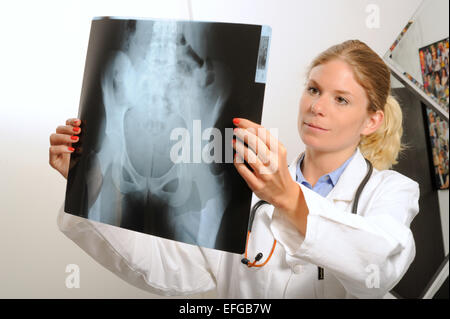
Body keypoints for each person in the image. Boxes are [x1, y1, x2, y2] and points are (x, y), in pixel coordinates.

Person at [49, 40, 420, 298]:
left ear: (371, 120)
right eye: (313, 89)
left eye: (341, 99)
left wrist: (290, 198)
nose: (317, 107)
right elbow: (169, 269)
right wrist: (88, 185)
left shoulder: (390, 191)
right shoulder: (242, 187)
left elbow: (380, 266)